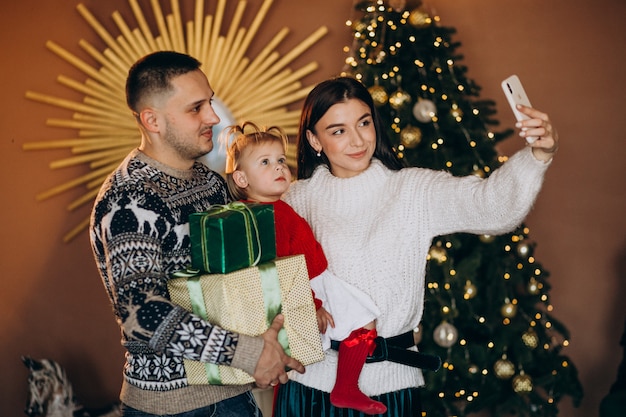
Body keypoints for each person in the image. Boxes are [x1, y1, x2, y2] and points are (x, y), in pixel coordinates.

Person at [273, 76, 559, 417]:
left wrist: (539, 153)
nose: (357, 139)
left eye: (363, 123)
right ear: (313, 140)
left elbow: (492, 207)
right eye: (338, 130)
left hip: (391, 387)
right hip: (309, 385)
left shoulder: (411, 191)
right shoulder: (295, 199)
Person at [89, 51, 304, 417]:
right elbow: (143, 316)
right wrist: (250, 353)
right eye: (196, 108)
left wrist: (275, 343)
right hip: (169, 408)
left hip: (233, 393)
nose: (213, 117)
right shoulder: (128, 200)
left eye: (210, 102)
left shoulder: (209, 182)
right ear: (152, 120)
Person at [223, 122, 385, 414]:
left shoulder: (273, 208)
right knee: (363, 320)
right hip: (308, 284)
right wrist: (313, 304)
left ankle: (344, 386)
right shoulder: (267, 216)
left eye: (281, 160)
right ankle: (346, 387)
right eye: (265, 162)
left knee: (352, 325)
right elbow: (280, 269)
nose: (278, 168)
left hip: (311, 279)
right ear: (241, 178)